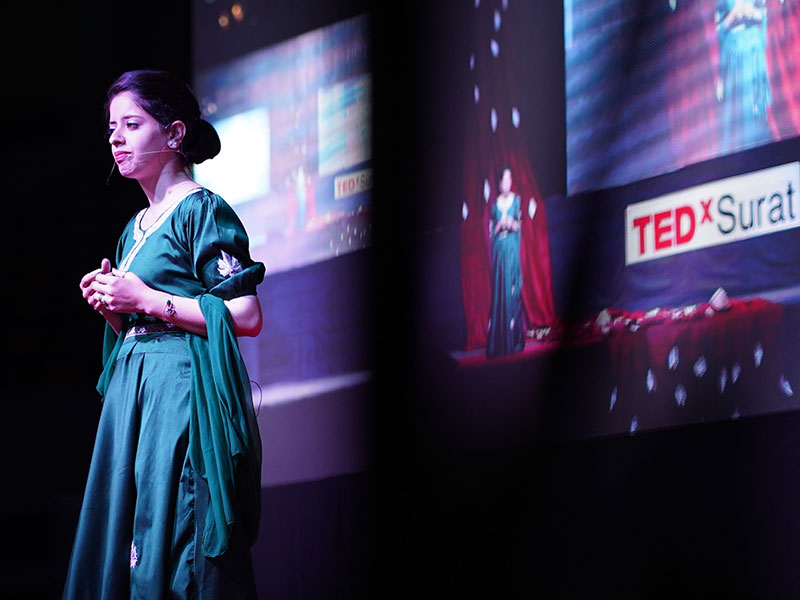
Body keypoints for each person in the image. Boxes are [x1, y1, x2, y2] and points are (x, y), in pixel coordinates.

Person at [64, 69, 266, 599]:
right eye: (112, 127)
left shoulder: (200, 209)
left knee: (173, 530)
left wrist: (146, 300)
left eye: (131, 124)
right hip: (134, 397)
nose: (116, 137)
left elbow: (244, 313)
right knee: (129, 536)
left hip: (176, 397)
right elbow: (142, 323)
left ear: (174, 134)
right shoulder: (135, 226)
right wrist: (116, 308)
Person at [715, 0, 772, 150]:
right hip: (733, 51)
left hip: (754, 49)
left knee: (756, 108)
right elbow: (716, 28)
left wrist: (755, 14)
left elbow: (767, 14)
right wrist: (731, 18)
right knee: (734, 113)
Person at [486, 166, 525, 358]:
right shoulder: (494, 206)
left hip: (511, 250)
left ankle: (513, 340)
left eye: (510, 180)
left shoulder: (516, 201)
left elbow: (519, 226)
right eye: (505, 180)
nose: (508, 183)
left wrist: (511, 223)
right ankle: (498, 342)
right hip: (500, 251)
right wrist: (500, 225)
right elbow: (492, 232)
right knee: (499, 292)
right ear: (500, 183)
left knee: (511, 290)